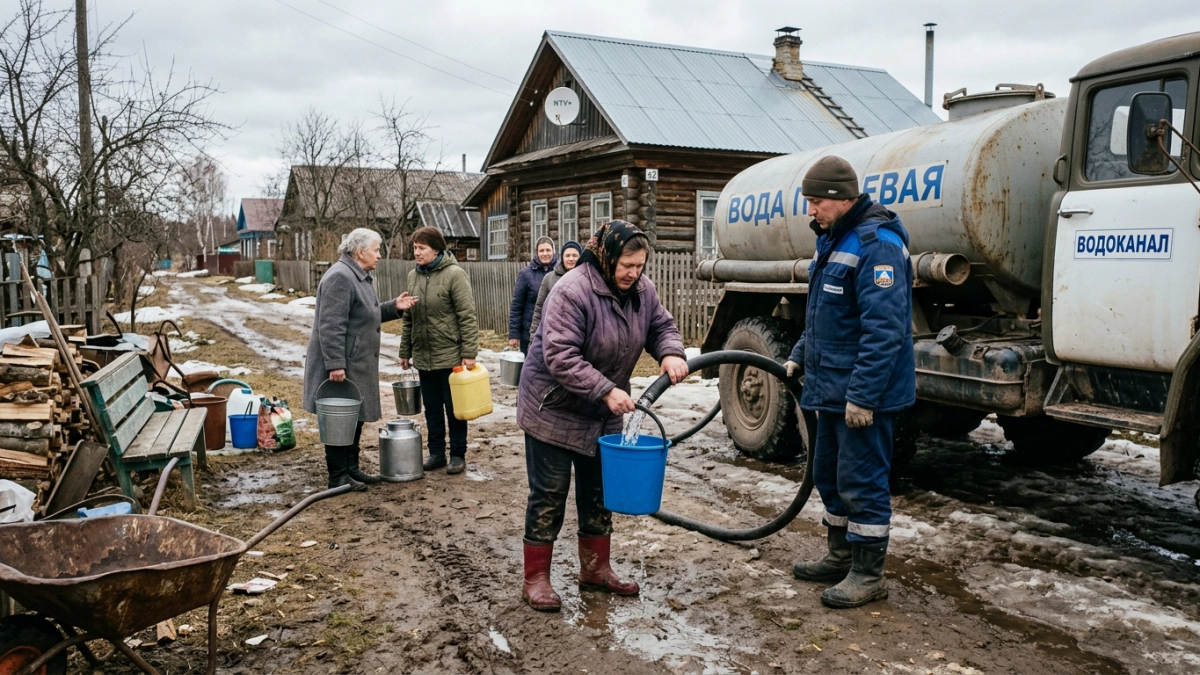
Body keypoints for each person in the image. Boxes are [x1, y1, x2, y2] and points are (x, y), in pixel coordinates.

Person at [516, 220, 689, 612]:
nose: (634, 273)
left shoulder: (642, 290)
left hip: (601, 412)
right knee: (549, 496)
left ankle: (596, 570)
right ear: (607, 257)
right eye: (627, 264)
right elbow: (559, 355)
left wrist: (671, 351)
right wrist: (606, 389)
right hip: (553, 408)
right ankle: (536, 578)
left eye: (640, 265)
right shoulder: (572, 290)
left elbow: (661, 324)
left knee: (598, 494)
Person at [783, 156, 915, 609]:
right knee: (829, 475)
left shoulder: (877, 245)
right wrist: (800, 355)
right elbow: (824, 315)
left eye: (816, 201)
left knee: (862, 481)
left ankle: (868, 573)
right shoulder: (833, 239)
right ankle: (840, 556)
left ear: (841, 199)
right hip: (831, 388)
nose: (811, 211)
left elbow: (886, 330)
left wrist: (863, 396)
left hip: (863, 397)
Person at [303, 228, 417, 490]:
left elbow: (364, 313)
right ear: (360, 251)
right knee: (339, 419)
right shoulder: (340, 277)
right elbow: (330, 325)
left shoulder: (360, 276)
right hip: (343, 364)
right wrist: (335, 364)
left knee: (354, 417)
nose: (379, 255)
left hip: (356, 362)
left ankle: (352, 469)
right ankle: (338, 477)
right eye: (376, 250)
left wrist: (392, 308)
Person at [398, 226, 480, 475]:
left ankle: (457, 454)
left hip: (450, 355)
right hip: (424, 356)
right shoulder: (413, 276)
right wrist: (405, 350)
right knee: (432, 408)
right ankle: (436, 454)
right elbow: (409, 318)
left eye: (422, 248)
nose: (417, 253)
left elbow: (467, 316)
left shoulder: (455, 275)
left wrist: (469, 352)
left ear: (436, 249)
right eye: (415, 248)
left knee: (454, 409)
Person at [509, 236, 557, 353]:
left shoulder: (559, 273)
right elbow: (517, 306)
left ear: (553, 252)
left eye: (548, 250)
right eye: (541, 251)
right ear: (536, 253)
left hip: (555, 331)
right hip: (530, 333)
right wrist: (514, 334)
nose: (545, 253)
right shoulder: (526, 274)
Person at [528, 240, 582, 337]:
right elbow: (539, 308)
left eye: (575, 256)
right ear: (562, 258)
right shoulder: (549, 278)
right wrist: (534, 336)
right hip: (554, 333)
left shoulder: (585, 279)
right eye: (567, 255)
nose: (571, 259)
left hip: (578, 332)